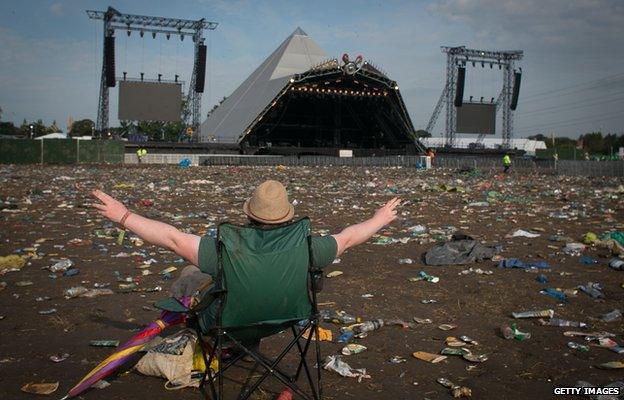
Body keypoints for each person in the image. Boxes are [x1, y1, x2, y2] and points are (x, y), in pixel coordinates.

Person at [91, 179, 400, 300]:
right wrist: (380, 218)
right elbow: (348, 238)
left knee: (191, 277)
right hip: (285, 319)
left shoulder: (227, 247)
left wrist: (124, 216)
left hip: (232, 321)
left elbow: (172, 238)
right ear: (288, 216)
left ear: (251, 214)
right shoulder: (307, 245)